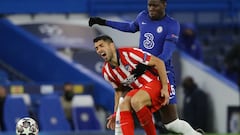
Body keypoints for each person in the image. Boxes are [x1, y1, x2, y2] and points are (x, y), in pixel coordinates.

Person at [89, 0, 204, 134]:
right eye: (149, 5)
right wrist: (104, 22)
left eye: (155, 5)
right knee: (124, 104)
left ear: (164, 4)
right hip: (143, 73)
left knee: (171, 123)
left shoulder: (172, 25)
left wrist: (146, 65)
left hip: (162, 72)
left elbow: (166, 53)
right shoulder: (142, 17)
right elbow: (129, 27)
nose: (151, 8)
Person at [93, 35, 170, 135]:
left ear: (111, 46)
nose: (99, 50)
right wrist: (116, 113)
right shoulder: (107, 72)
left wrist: (165, 88)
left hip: (156, 84)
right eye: (96, 48)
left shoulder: (129, 53)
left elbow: (159, 62)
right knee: (124, 105)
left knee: (136, 100)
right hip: (140, 91)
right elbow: (118, 92)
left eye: (101, 46)